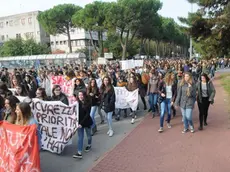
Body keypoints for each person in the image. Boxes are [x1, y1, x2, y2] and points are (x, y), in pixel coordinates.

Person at [73, 91, 93, 159]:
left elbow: (87, 114)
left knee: (89, 136)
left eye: (81, 95)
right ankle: (79, 152)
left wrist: (81, 123)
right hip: (79, 123)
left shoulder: (88, 103)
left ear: (84, 95)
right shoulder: (76, 103)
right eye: (79, 95)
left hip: (86, 122)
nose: (80, 96)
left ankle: (89, 144)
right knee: (80, 137)